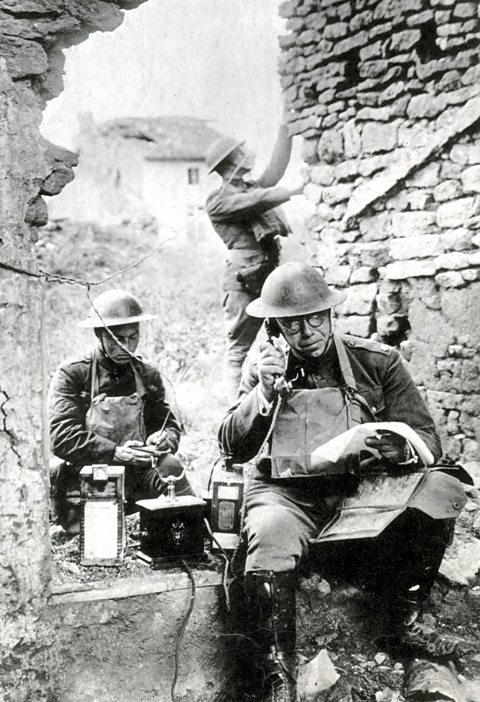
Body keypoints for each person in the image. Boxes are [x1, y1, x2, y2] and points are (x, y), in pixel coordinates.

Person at [218, 262, 468, 702]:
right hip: (288, 494)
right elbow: (231, 448)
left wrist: (400, 449)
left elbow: (429, 438)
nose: (306, 332)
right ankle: (276, 672)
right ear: (275, 327)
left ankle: (402, 624)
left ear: (331, 314)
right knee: (271, 530)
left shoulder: (378, 361)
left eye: (315, 318)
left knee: (442, 487)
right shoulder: (265, 371)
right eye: (291, 324)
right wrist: (263, 393)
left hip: (361, 495)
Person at [49, 289, 193, 533]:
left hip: (138, 476)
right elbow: (62, 436)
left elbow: (168, 424)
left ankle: (191, 533)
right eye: (117, 339)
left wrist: (163, 439)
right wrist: (115, 452)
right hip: (91, 475)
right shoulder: (74, 375)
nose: (126, 347)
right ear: (100, 334)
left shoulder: (147, 374)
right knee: (95, 535)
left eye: (133, 337)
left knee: (171, 467)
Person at [206, 118, 303, 402]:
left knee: (285, 337)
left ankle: (277, 398)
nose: (248, 153)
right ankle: (233, 409)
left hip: (268, 274)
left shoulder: (251, 187)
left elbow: (275, 170)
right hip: (242, 281)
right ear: (231, 161)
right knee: (238, 350)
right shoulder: (218, 200)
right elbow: (258, 201)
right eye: (241, 152)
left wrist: (284, 129)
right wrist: (292, 192)